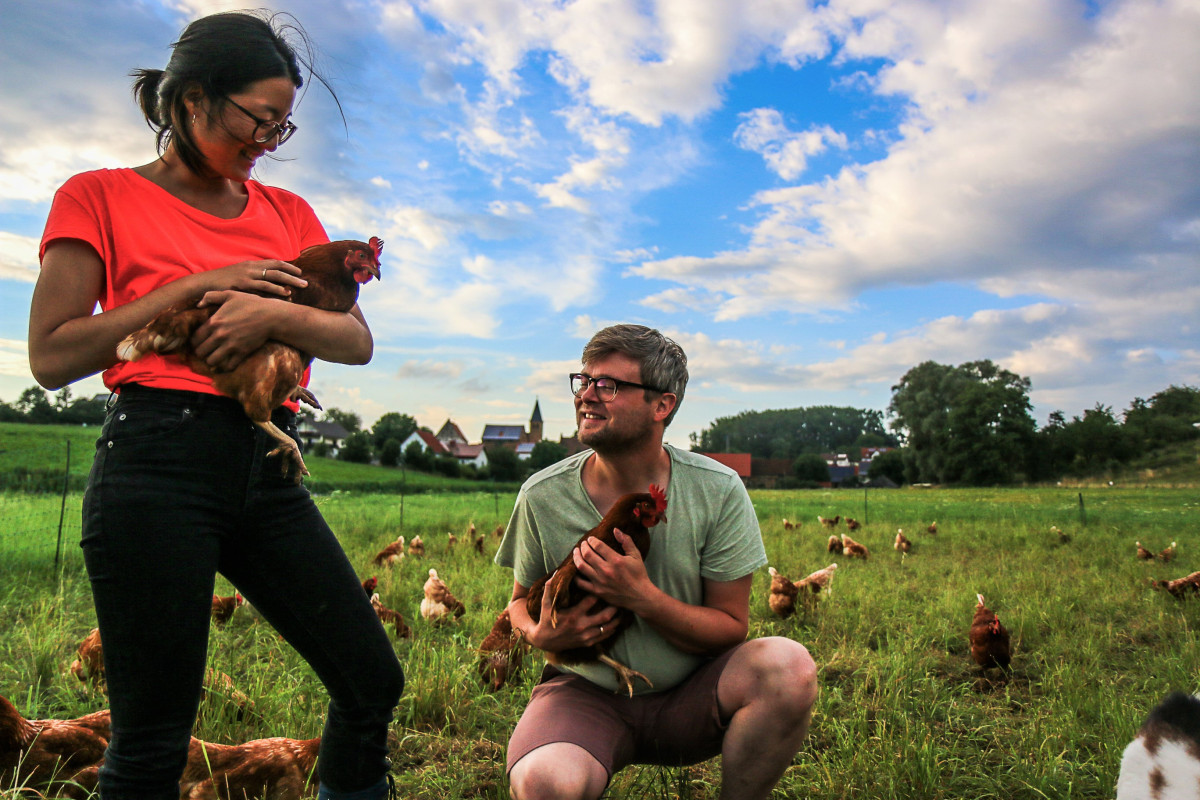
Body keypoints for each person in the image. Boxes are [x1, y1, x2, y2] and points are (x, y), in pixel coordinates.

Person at [27, 11, 402, 800]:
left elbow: (354, 340)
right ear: (191, 98)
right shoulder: (98, 197)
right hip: (156, 462)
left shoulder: (289, 213)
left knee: (371, 680)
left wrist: (268, 313)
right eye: (258, 118)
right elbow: (54, 353)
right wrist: (200, 286)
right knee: (153, 737)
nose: (270, 138)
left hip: (267, 461)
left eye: (282, 123)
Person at [494, 323, 818, 800]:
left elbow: (732, 626)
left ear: (661, 405)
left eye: (608, 385)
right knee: (544, 782)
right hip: (585, 693)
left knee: (789, 666)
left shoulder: (718, 488)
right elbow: (518, 604)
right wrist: (539, 634)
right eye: (583, 382)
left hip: (693, 691)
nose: (587, 395)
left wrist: (641, 597)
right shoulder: (542, 494)